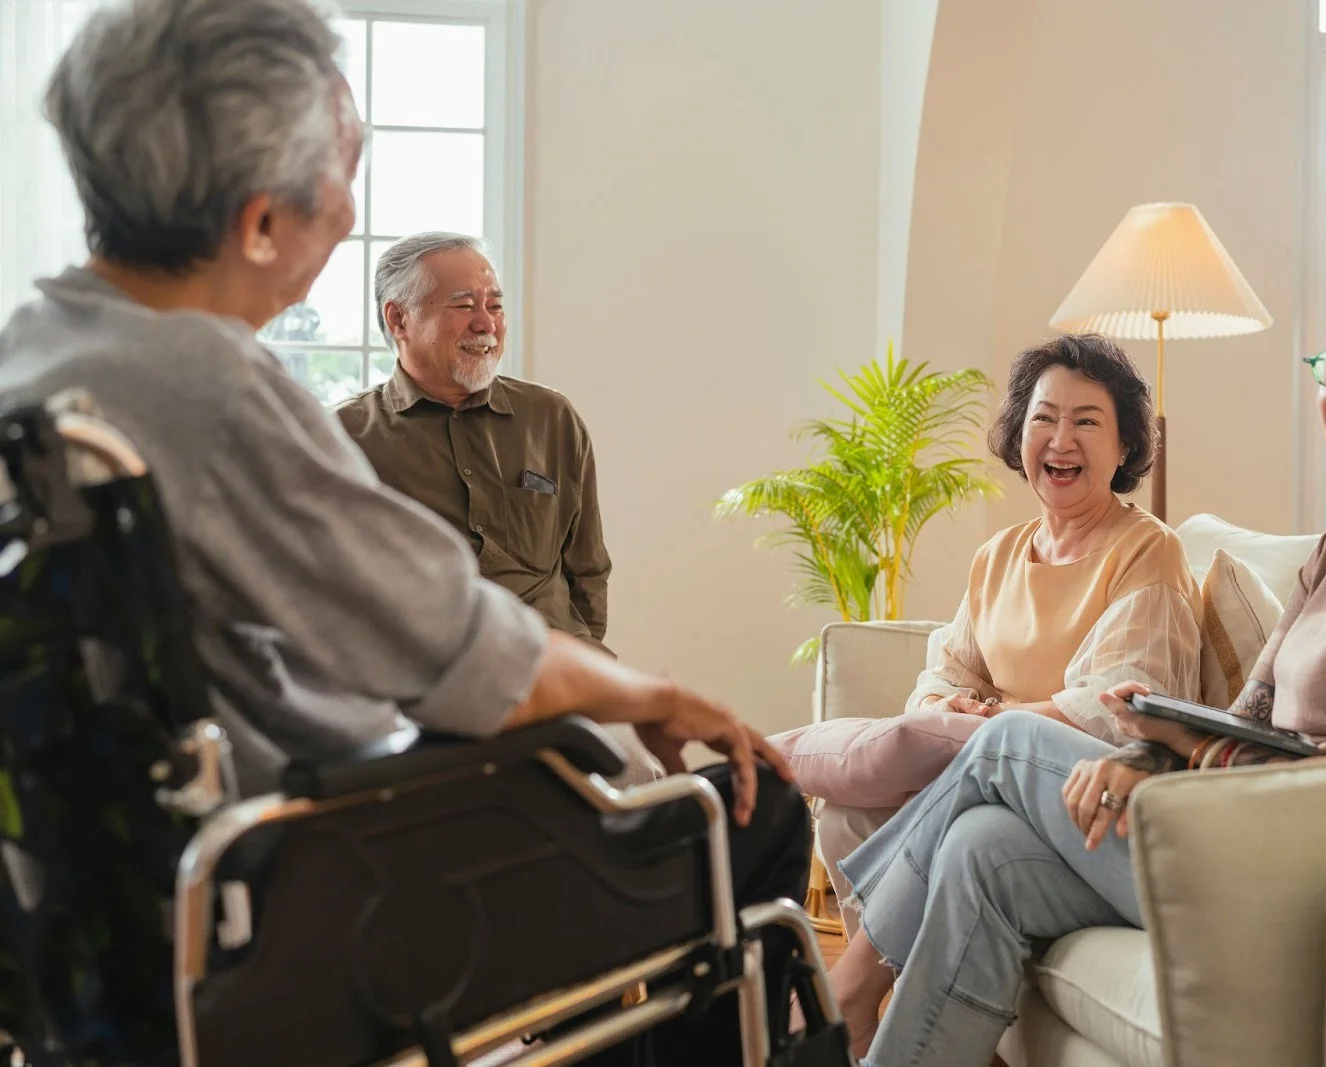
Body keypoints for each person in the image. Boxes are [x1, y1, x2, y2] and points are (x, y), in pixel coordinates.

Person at [0, 1, 802, 1061]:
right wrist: (653, 694)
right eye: (340, 178)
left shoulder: (32, 356)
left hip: (111, 917)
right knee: (755, 807)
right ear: (259, 221)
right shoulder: (210, 385)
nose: (347, 214)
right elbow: (475, 658)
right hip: (316, 885)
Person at [826, 274, 1326, 1066]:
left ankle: (848, 986)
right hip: (1249, 833)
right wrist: (1153, 744)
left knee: (1006, 742)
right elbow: (1250, 718)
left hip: (1293, 871)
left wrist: (1186, 761)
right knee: (981, 848)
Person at [816, 334, 1203, 930]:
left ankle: (864, 975)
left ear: (1125, 444)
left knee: (973, 825)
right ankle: (888, 977)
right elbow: (943, 675)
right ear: (1019, 435)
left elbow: (1117, 710)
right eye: (1043, 418)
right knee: (847, 812)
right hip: (984, 765)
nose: (1061, 440)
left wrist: (993, 718)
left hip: (1081, 791)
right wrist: (946, 705)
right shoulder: (997, 555)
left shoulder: (1148, 550)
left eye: (1086, 421)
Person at [336, 233, 613, 654]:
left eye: (495, 306)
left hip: (551, 661)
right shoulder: (343, 435)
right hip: (422, 672)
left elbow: (588, 569)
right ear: (398, 320)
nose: (486, 324)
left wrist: (585, 658)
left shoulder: (551, 417)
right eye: (464, 305)